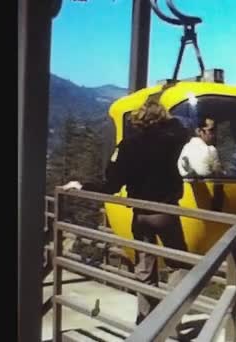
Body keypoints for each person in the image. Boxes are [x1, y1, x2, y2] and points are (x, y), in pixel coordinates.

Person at [62, 99, 191, 324]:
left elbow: (111, 185)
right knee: (180, 263)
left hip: (140, 214)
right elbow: (182, 129)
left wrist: (82, 185)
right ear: (163, 120)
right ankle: (171, 317)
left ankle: (146, 320)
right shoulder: (173, 140)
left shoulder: (127, 146)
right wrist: (167, 119)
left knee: (144, 268)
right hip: (165, 212)